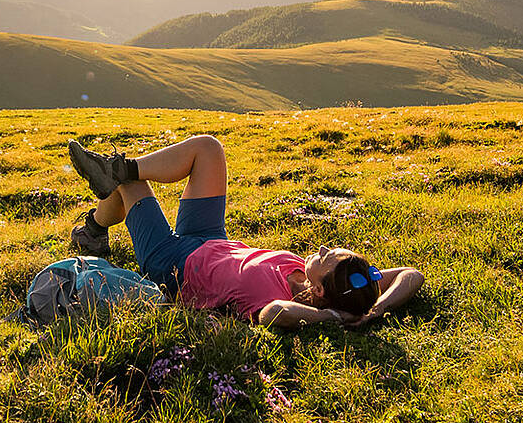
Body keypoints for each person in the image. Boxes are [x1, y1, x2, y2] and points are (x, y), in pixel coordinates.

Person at [66, 134, 424, 329]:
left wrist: (332, 317)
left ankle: (96, 226)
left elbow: (273, 315)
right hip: (209, 238)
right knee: (208, 149)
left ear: (319, 289)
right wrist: (375, 310)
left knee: (131, 186)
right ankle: (116, 171)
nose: (326, 248)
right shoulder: (329, 280)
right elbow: (412, 274)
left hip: (171, 263)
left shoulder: (279, 298)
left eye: (329, 258)